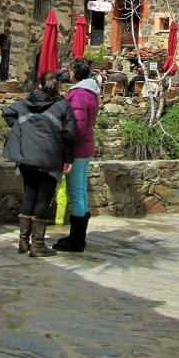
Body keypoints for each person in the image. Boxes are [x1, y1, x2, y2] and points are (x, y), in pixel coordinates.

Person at [2, 71, 76, 257]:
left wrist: (23, 128)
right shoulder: (61, 105)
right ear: (57, 86)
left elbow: (7, 113)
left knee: (30, 195)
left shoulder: (26, 102)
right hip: (50, 157)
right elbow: (70, 133)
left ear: (40, 85)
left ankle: (23, 240)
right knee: (44, 198)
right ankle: (37, 245)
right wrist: (68, 158)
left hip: (27, 155)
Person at [54, 58, 100, 253]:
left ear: (74, 73)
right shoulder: (90, 92)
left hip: (79, 149)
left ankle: (77, 240)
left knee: (76, 193)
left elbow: (78, 125)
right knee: (80, 192)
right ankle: (77, 236)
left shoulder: (80, 95)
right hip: (86, 146)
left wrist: (67, 148)